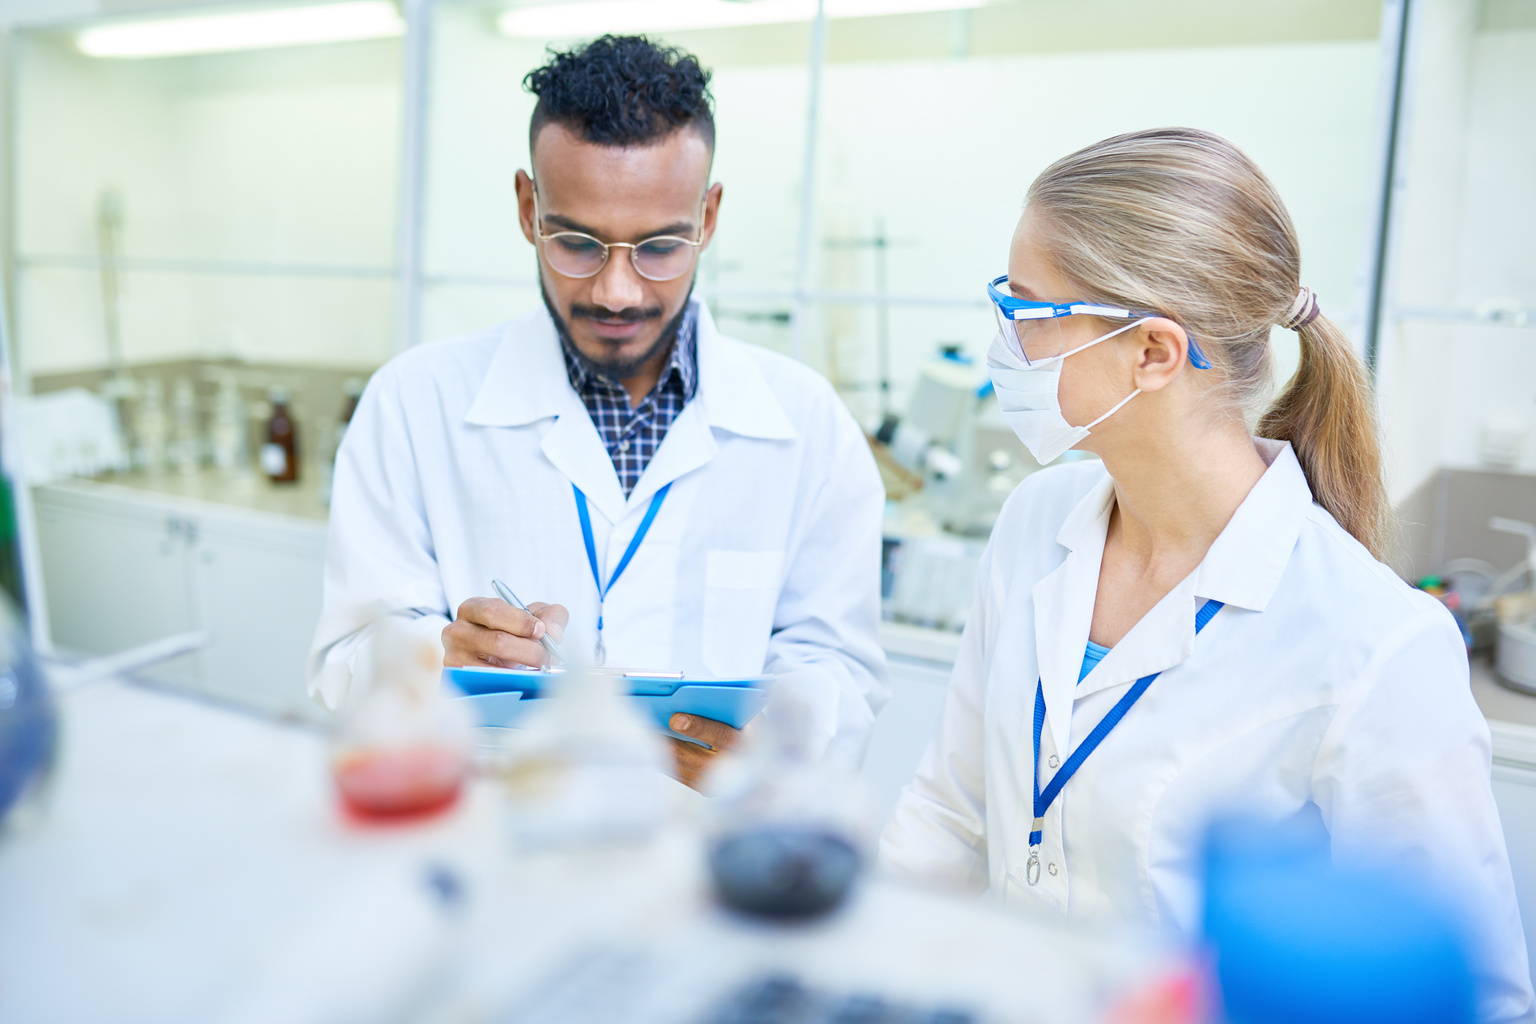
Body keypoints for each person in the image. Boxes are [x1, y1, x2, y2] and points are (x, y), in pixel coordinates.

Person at [878, 128, 1533, 1022]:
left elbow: (1473, 1000)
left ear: (1152, 352)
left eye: (1026, 313)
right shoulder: (1035, 524)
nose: (1005, 343)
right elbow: (952, 814)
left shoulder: (1372, 644)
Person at [308, 36, 886, 788]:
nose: (617, 291)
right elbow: (343, 666)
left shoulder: (809, 426)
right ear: (528, 207)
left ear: (707, 217)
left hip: (704, 861)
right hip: (490, 848)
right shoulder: (414, 404)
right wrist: (435, 656)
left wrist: (774, 748)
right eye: (578, 243)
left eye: (659, 246)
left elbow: (840, 670)